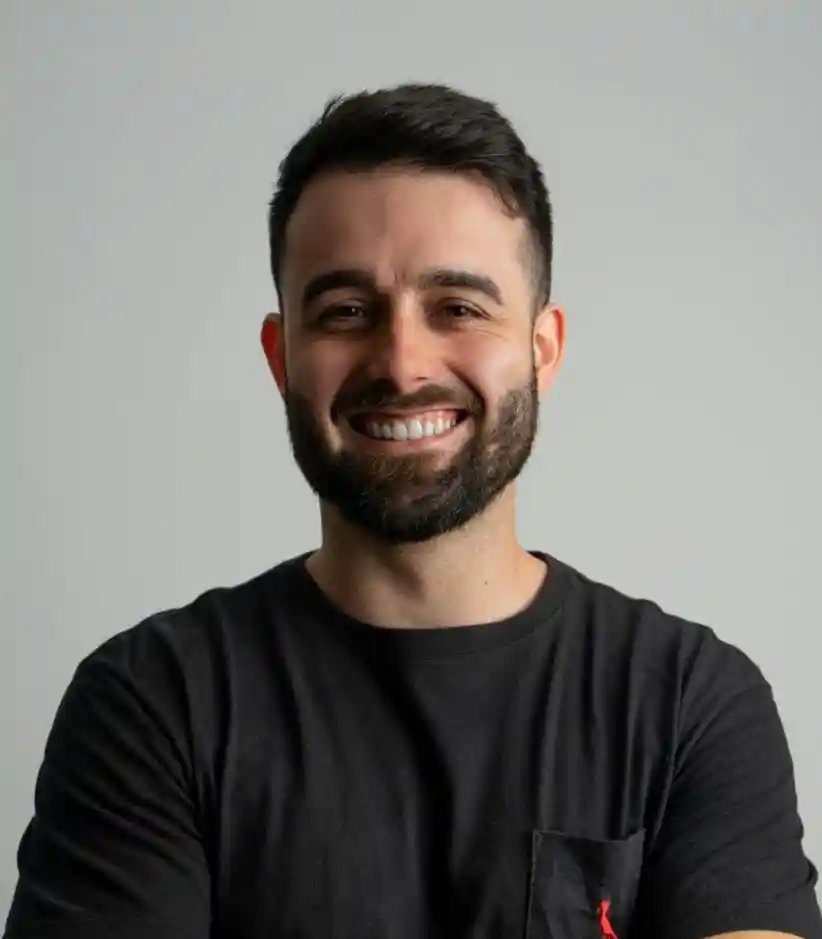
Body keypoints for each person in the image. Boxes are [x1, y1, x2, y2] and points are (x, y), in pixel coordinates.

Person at [4, 83, 820, 939]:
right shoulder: (153, 704)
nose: (401, 361)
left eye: (458, 308)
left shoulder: (690, 703)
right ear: (283, 357)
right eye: (347, 311)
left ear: (543, 350)